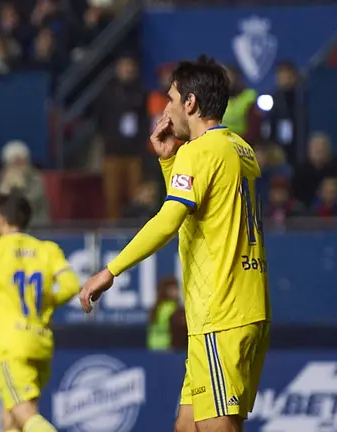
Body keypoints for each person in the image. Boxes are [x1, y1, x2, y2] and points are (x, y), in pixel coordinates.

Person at [79, 55, 271, 432]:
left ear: (191, 103)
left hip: (221, 309)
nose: (165, 108)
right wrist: (169, 164)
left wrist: (109, 270)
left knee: (218, 427)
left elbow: (170, 220)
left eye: (170, 98)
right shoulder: (239, 149)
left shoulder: (199, 152)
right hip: (243, 305)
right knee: (187, 426)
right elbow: (203, 211)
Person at [0, 191, 80, 432]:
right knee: (11, 417)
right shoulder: (47, 249)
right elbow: (71, 285)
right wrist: (46, 301)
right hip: (41, 342)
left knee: (25, 415)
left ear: (0, 219)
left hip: (11, 345)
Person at [147, 276, 187, 351]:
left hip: (152, 347)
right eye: (172, 289)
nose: (176, 292)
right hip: (167, 347)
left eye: (176, 289)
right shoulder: (171, 308)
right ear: (165, 291)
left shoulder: (155, 307)